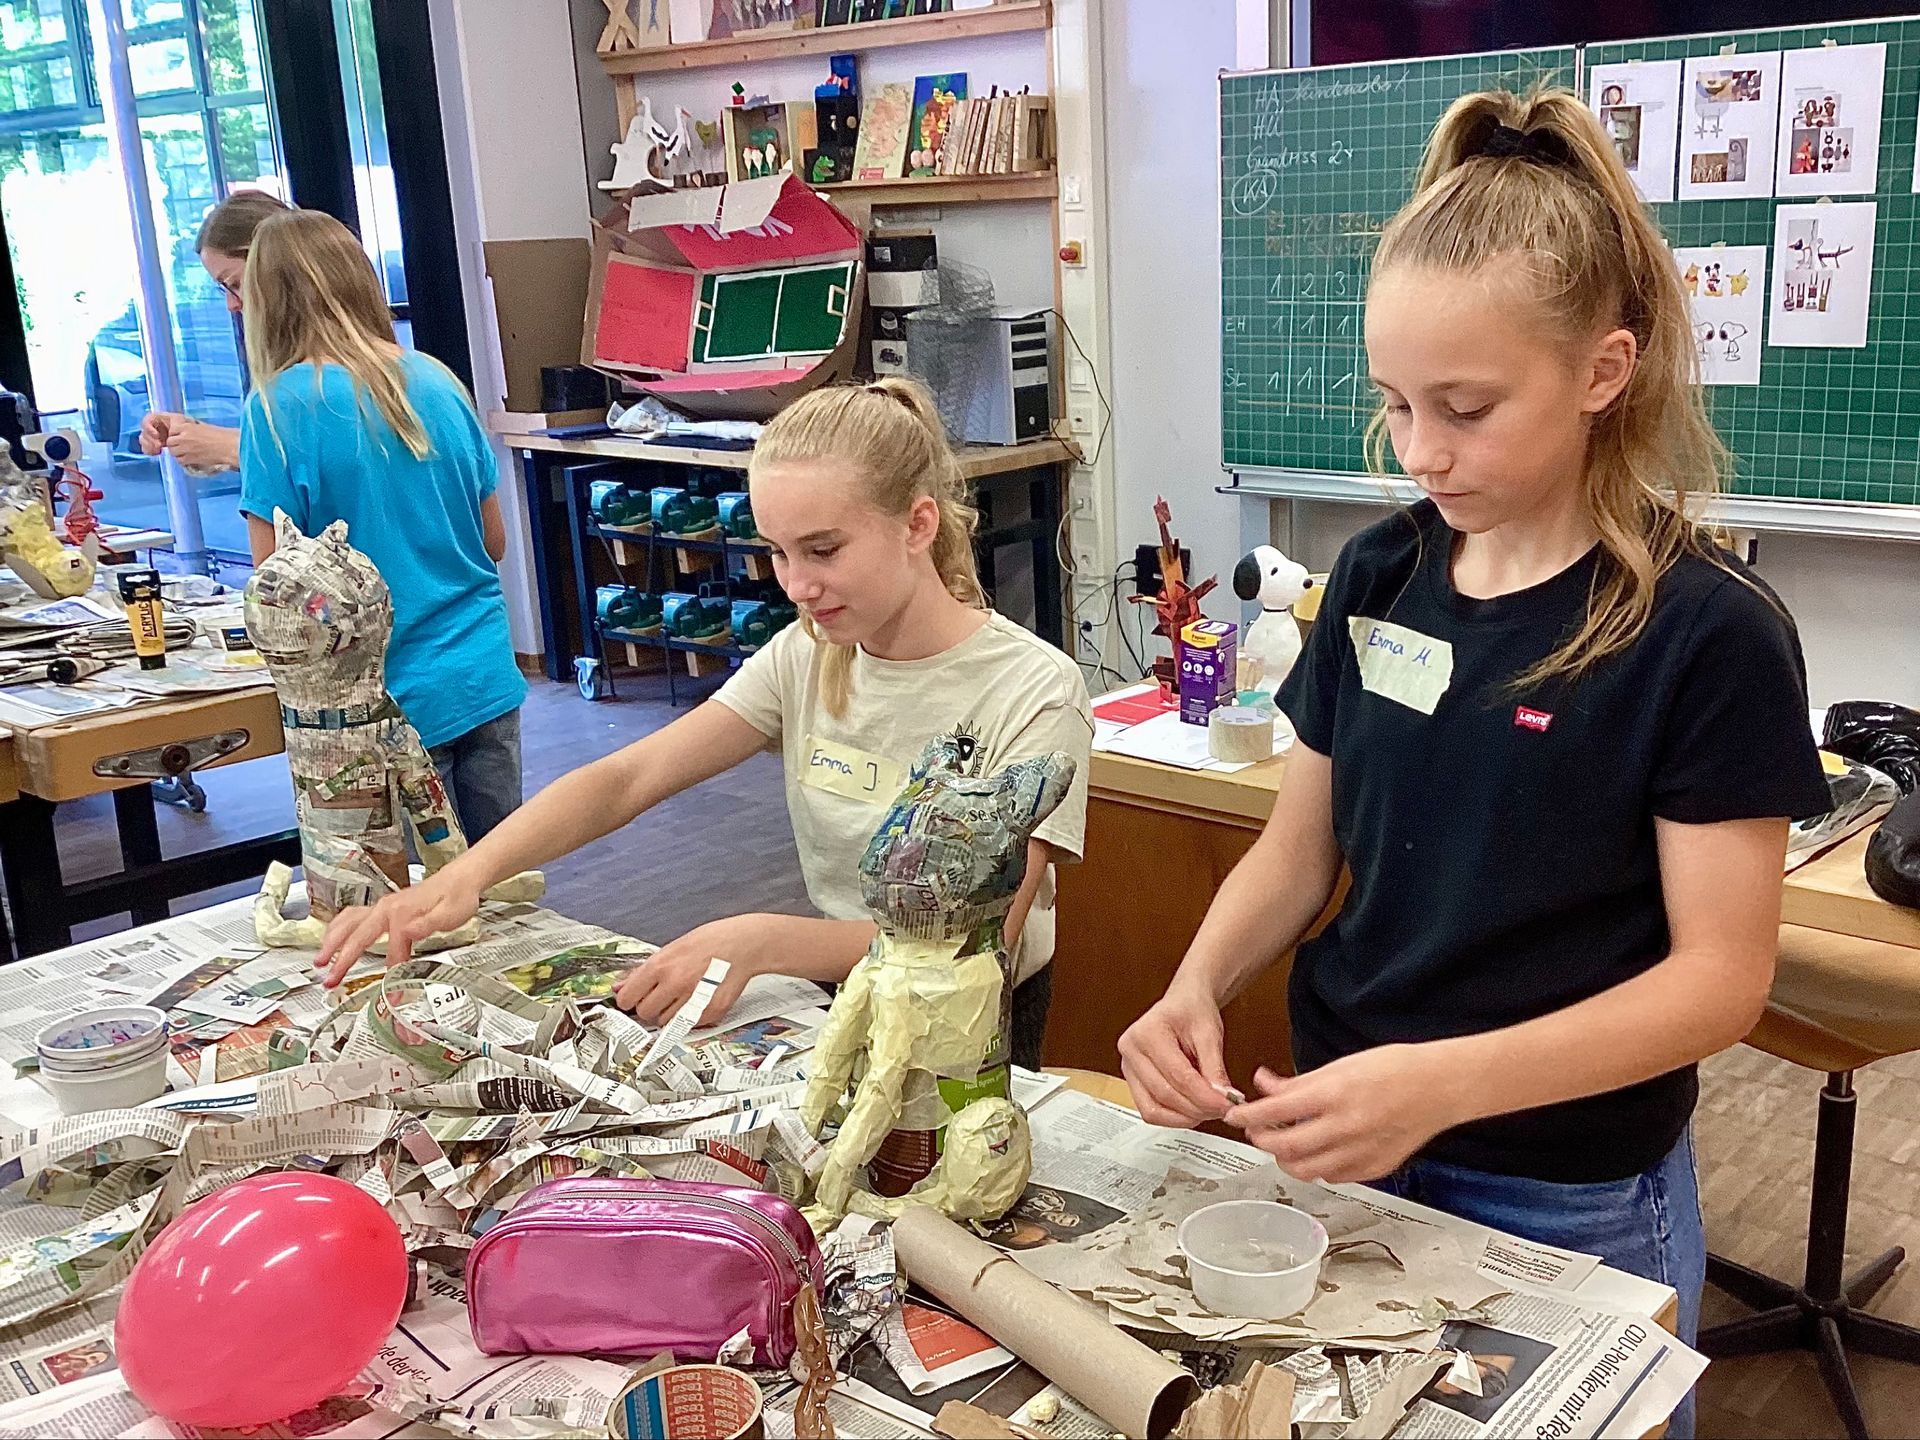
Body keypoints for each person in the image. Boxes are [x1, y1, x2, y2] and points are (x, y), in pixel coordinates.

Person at [1117, 88, 1829, 1439]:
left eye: (1466, 407)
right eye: (1395, 404)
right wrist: (1195, 984)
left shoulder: (1708, 632)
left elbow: (1720, 983)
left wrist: (1440, 1083)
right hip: (1348, 1139)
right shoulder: (1379, 572)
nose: (1420, 451)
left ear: (1603, 373)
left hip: (1562, 1183)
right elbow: (1299, 848)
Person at [315, 378, 1092, 1071]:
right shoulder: (809, 653)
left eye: (823, 550)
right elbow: (628, 777)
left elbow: (977, 943)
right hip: (841, 982)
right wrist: (460, 879)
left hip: (969, 1018)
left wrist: (760, 942)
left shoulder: (1032, 691)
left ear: (918, 525)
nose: (797, 586)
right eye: (778, 553)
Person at [237, 208, 526, 841]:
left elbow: (277, 588)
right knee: (501, 878)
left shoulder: (274, 410)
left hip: (378, 703)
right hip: (481, 674)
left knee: (409, 896)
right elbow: (493, 542)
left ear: (267, 303)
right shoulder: (438, 380)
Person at [138, 189, 291, 475]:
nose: (232, 305)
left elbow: (333, 468)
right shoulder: (286, 362)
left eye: (236, 284)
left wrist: (228, 447)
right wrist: (195, 439)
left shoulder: (329, 369)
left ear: (277, 267)